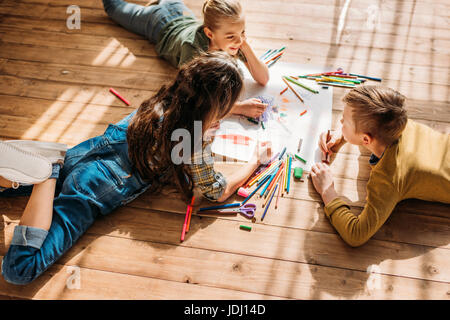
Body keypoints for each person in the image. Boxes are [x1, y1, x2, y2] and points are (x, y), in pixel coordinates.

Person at [0, 52, 271, 285]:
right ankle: (47, 175)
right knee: (19, 269)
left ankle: (47, 166)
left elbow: (197, 100)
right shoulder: (193, 141)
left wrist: (231, 108)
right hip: (98, 184)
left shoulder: (170, 96)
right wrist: (254, 161)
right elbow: (216, 191)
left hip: (91, 150)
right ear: (212, 107)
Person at [310, 85, 450, 247]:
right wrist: (342, 134)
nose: (339, 122)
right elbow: (369, 125)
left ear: (366, 140)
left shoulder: (388, 177)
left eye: (344, 121)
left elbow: (356, 234)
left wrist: (328, 191)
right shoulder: (395, 121)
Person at [102, 0, 270, 119]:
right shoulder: (193, 49)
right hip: (158, 22)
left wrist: (245, 45)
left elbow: (263, 78)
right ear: (209, 34)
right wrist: (238, 108)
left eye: (242, 32)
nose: (239, 40)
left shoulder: (232, 41)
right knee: (113, 7)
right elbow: (192, 98)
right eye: (232, 36)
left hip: (179, 9)